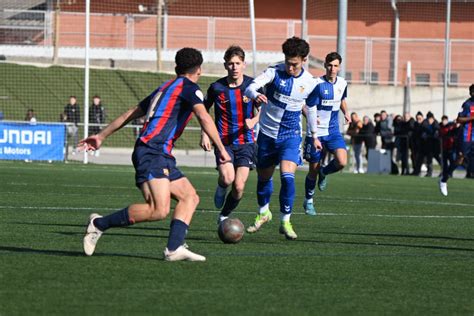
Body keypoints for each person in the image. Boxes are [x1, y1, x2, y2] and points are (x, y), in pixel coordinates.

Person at [80, 47, 231, 261]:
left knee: (190, 197)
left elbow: (130, 113)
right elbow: (204, 118)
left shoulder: (165, 88)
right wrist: (222, 149)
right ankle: (99, 224)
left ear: (177, 67)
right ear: (199, 69)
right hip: (152, 151)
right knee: (158, 210)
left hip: (158, 153)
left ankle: (174, 248)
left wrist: (102, 136)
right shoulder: (190, 89)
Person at [244, 36, 321, 239]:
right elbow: (250, 87)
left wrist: (314, 135)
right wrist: (255, 95)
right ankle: (264, 212)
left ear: (304, 60)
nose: (290, 67)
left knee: (287, 176)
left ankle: (286, 220)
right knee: (264, 178)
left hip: (290, 135)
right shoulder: (273, 72)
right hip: (267, 135)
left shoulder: (310, 82)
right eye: (288, 62)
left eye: (294, 64)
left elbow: (311, 109)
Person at [200, 45, 260, 223]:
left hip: (247, 143)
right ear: (225, 65)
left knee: (239, 186)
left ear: (244, 65)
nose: (234, 67)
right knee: (227, 178)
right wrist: (204, 134)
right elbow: (203, 111)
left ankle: (224, 214)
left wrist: (254, 121)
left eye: (238, 63)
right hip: (223, 141)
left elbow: (266, 108)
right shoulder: (216, 87)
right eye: (231, 63)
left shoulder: (252, 85)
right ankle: (221, 186)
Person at [303, 51, 350, 216]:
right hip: (315, 133)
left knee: (342, 161)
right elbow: (306, 104)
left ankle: (325, 172)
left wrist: (346, 113)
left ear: (339, 67)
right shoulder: (316, 84)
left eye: (335, 65)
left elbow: (342, 99)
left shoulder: (343, 83)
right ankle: (309, 200)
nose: (332, 68)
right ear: (325, 65)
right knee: (312, 170)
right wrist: (310, 117)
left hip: (332, 131)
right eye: (329, 65)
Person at [455, 84, 474, 179]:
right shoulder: (467, 104)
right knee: (462, 156)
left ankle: (471, 173)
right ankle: (449, 172)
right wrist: (471, 118)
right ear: (471, 93)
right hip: (468, 135)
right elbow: (459, 119)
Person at [438, 115, 458, 196]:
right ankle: (444, 177)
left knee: (454, 162)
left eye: (445, 120)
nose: (444, 122)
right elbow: (442, 134)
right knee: (445, 165)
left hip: (451, 148)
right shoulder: (442, 127)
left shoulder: (451, 127)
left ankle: (446, 176)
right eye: (443, 120)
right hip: (444, 148)